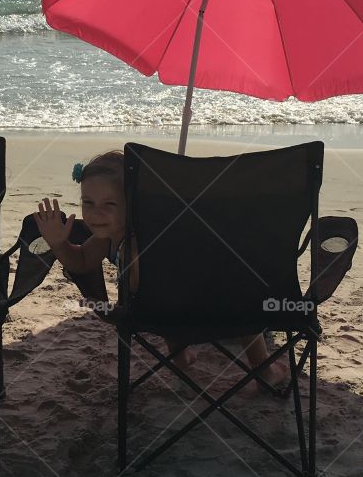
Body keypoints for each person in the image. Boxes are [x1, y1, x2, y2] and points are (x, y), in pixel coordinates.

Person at [34, 150, 288, 388]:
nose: (95, 213)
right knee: (222, 292)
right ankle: (260, 366)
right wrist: (59, 243)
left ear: (133, 203)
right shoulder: (108, 236)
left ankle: (247, 364)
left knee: (214, 291)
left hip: (202, 307)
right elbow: (81, 261)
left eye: (109, 205)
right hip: (181, 306)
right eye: (87, 202)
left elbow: (149, 290)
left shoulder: (137, 243)